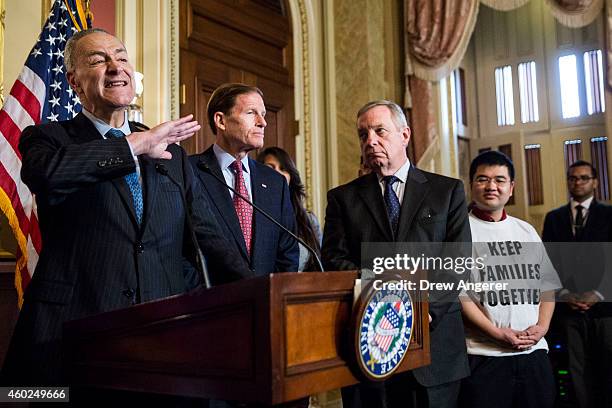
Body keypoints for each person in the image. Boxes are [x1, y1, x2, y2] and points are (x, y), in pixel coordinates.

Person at [0, 28, 249, 387]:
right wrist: (135, 144)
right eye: (99, 60)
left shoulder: (172, 154)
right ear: (74, 81)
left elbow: (209, 237)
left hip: (162, 337)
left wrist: (262, 292)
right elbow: (47, 175)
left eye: (121, 57)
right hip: (73, 335)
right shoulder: (49, 138)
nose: (116, 67)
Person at [322, 100, 471, 408]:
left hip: (434, 345)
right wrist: (384, 299)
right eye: (364, 135)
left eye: (379, 131)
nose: (371, 141)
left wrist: (422, 311)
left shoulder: (447, 191)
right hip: (369, 343)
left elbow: (456, 261)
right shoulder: (342, 198)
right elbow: (334, 259)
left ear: (405, 135)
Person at [458, 151, 560, 408]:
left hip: (534, 355)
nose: (491, 186)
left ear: (511, 187)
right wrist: (496, 333)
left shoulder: (525, 230)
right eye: (482, 179)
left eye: (499, 180)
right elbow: (459, 294)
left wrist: (543, 327)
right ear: (471, 185)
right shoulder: (459, 232)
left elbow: (547, 288)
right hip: (484, 356)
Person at [189, 83, 299, 282]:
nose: (263, 122)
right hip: (211, 304)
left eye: (263, 114)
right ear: (221, 121)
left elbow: (288, 253)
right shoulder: (190, 171)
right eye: (251, 113)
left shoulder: (275, 182)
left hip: (267, 303)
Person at [542, 160, 612, 408]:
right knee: (575, 370)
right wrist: (564, 294)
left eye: (584, 178)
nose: (578, 182)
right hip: (568, 309)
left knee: (607, 367)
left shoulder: (609, 215)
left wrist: (599, 293)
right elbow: (547, 262)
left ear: (595, 182)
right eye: (573, 178)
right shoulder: (554, 218)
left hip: (605, 309)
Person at [257, 146, 322, 272]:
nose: (278, 174)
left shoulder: (309, 220)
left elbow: (319, 265)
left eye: (283, 169)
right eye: (270, 168)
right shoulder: (251, 217)